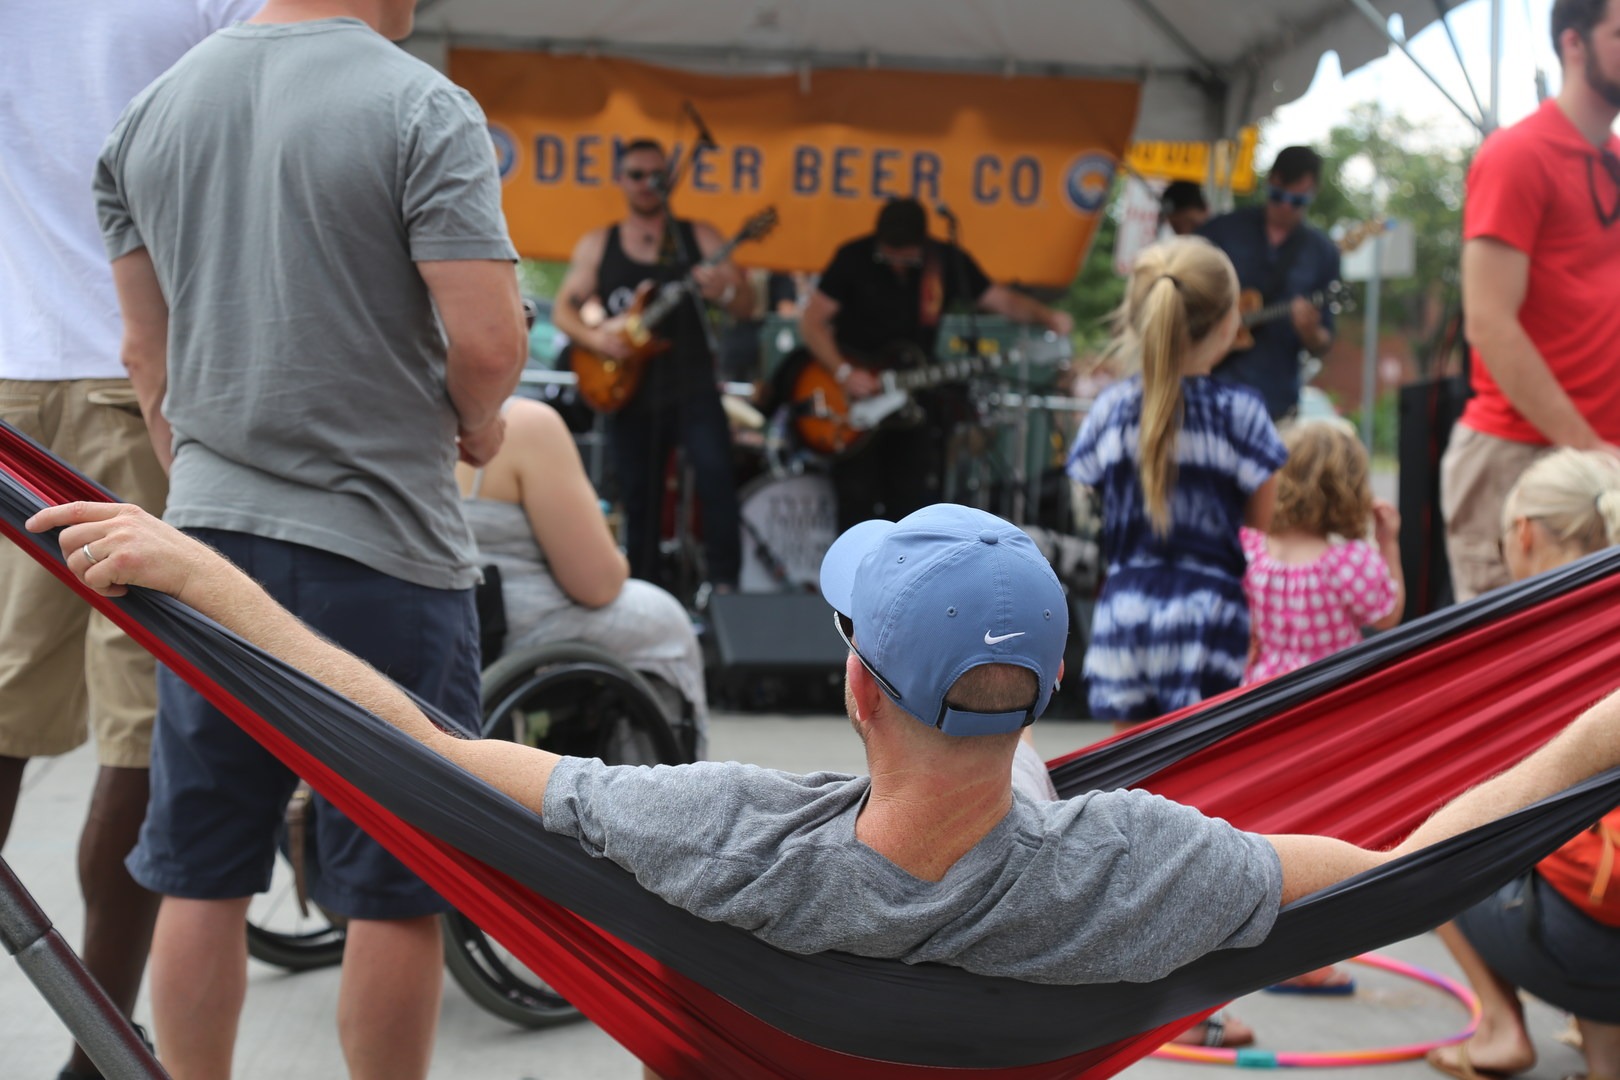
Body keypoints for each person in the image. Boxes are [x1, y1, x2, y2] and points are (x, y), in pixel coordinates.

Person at [30, 496, 1620, 1019]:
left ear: (853, 685)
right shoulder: (1145, 867)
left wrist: (209, 583)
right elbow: (1430, 855)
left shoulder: (722, 833)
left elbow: (416, 745)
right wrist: (1599, 726)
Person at [91, 1, 527, 1077]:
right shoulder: (422, 103)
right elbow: (486, 336)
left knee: (202, 867)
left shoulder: (151, 115)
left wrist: (203, 481)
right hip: (384, 553)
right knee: (399, 874)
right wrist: (477, 422)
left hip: (202, 555)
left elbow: (147, 356)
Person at [0, 4, 262, 1078]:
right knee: (143, 734)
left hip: (13, 377)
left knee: (5, 709)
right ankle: (95, 1049)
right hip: (139, 376)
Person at [1426, 448, 1620, 1080]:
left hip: (1590, 941)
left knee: (1436, 824)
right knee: (1584, 819)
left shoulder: (1535, 643)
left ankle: (1500, 1026)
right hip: (1603, 910)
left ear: (1525, 533)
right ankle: (1603, 1060)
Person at [1067, 237, 1287, 732]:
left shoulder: (1111, 410)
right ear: (1231, 323)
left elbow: (1089, 494)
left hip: (1124, 611)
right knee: (1200, 786)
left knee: (1129, 783)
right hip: (1211, 617)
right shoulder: (1242, 414)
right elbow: (1260, 528)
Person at [1440, 0, 1620, 602]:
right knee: (1515, 680)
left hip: (1594, 462)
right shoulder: (1517, 155)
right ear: (1575, 44)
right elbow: (1488, 322)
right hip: (1517, 462)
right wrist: (1590, 450)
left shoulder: (1612, 160)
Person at [550, 138, 752, 598]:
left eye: (656, 175)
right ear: (621, 180)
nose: (647, 184)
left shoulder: (698, 236)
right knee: (639, 495)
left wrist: (721, 288)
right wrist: (597, 339)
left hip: (694, 384)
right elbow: (564, 311)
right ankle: (642, 592)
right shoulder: (600, 242)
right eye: (637, 174)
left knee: (717, 477)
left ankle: (724, 587)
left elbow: (747, 305)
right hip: (632, 391)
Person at [799, 197, 1075, 531]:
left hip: (916, 402)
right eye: (889, 251)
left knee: (915, 502)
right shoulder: (853, 257)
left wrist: (1048, 318)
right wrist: (843, 372)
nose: (897, 260)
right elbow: (812, 322)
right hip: (855, 402)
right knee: (856, 498)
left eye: (905, 253)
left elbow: (1000, 300)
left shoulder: (943, 262)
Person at [458, 397, 708, 753]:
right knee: (665, 623)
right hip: (506, 627)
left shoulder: (393, 419)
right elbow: (598, 584)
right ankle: (663, 784)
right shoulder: (523, 424)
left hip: (443, 616)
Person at [1242, 419, 1405, 684]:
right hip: (1330, 696)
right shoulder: (1348, 563)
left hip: (1263, 698)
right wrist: (1389, 543)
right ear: (1347, 489)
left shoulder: (1251, 550)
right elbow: (1387, 616)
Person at [1197, 146, 1340, 422]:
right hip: (1209, 388)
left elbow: (1323, 343)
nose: (1285, 206)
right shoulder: (1224, 230)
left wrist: (1310, 331)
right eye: (1278, 196)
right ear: (1269, 182)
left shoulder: (1322, 252)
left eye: (1296, 200)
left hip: (1274, 401)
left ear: (1313, 194)